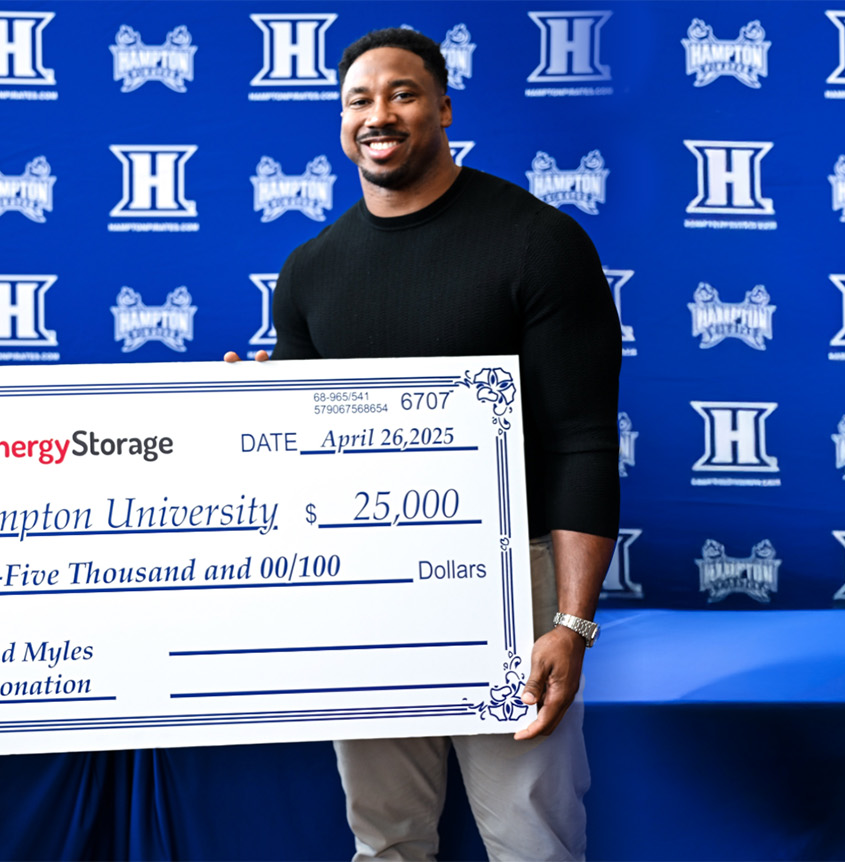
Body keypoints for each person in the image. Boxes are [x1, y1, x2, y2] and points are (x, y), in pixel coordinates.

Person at [227, 27, 621, 861]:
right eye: (359, 100)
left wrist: (571, 624)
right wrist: (244, 412)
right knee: (385, 841)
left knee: (533, 840)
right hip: (364, 583)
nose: (379, 114)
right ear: (343, 123)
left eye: (402, 94)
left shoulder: (538, 242)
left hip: (512, 579)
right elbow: (302, 457)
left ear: (442, 108)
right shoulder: (310, 269)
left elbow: (583, 442)